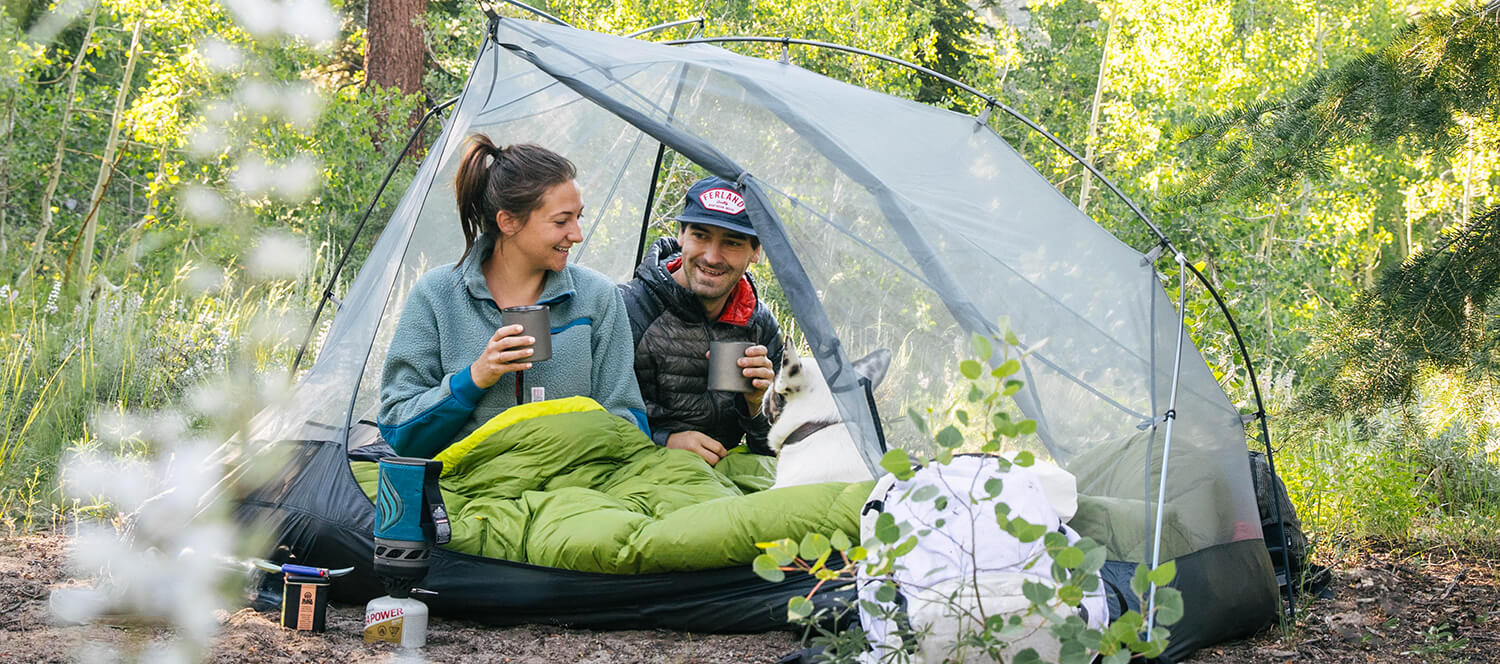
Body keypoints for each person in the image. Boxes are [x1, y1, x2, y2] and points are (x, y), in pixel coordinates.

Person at [378, 136, 648, 458]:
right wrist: (475, 377)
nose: (576, 234)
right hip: (470, 490)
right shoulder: (437, 296)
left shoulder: (597, 298)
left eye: (579, 217)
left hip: (577, 488)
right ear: (508, 222)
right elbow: (398, 428)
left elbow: (629, 424)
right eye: (562, 221)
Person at [619, 176, 783, 466]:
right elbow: (597, 418)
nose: (711, 256)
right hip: (640, 469)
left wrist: (758, 404)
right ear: (681, 235)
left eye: (731, 242)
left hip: (726, 477)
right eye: (701, 235)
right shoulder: (629, 308)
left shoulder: (760, 327)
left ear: (756, 251)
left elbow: (776, 451)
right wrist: (664, 441)